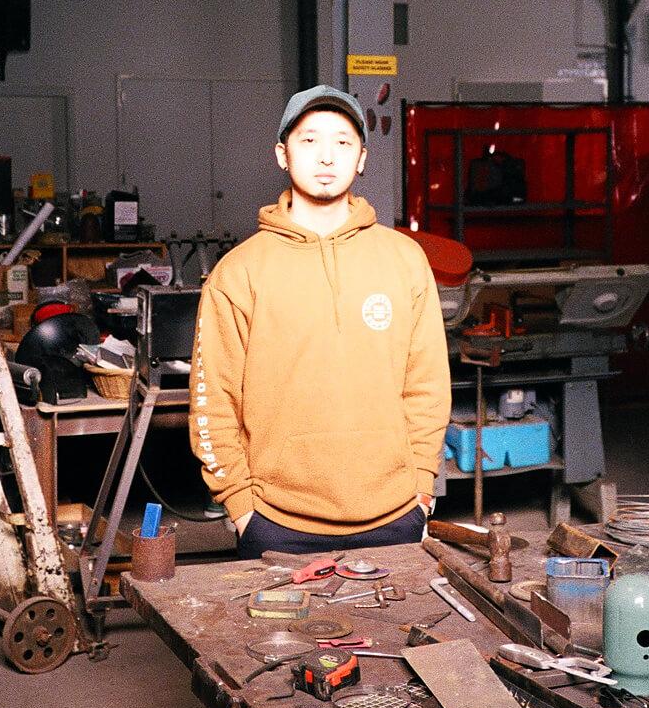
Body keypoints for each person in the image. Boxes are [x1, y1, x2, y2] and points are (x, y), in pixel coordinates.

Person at [189, 85, 452, 558]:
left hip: (396, 514)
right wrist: (241, 505)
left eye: (343, 141)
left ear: (363, 158)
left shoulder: (404, 260)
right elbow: (213, 402)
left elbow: (428, 385)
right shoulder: (239, 271)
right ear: (282, 154)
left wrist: (421, 487)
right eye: (309, 140)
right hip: (276, 522)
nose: (327, 156)